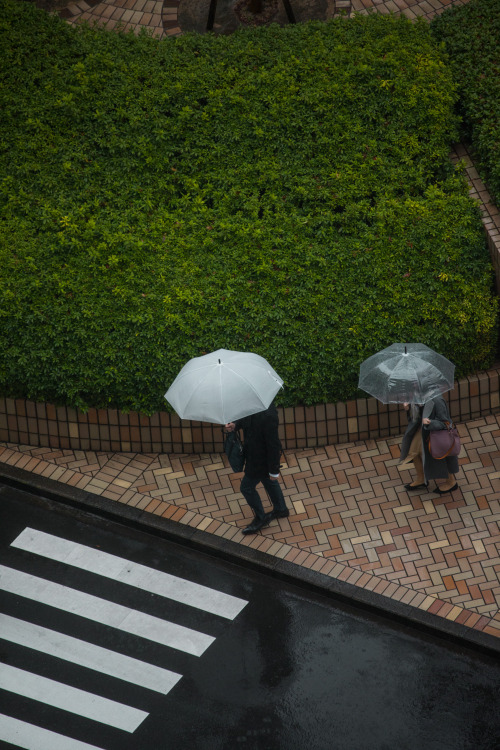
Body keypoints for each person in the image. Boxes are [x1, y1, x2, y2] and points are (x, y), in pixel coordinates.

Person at [225, 403, 289, 534]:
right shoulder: (254, 406)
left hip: (259, 461)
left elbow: (273, 445)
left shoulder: (268, 416)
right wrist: (235, 425)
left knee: (246, 488)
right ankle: (281, 509)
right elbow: (248, 420)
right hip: (254, 455)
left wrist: (274, 470)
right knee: (268, 481)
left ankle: (261, 518)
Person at [399, 396, 459, 495]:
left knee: (440, 456)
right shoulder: (415, 397)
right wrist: (408, 409)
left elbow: (445, 423)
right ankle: (421, 478)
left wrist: (431, 422)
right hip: (423, 431)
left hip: (435, 435)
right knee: (413, 452)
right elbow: (414, 419)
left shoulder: (437, 400)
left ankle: (451, 482)